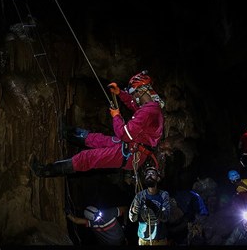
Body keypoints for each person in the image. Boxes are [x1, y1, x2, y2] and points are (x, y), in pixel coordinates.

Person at [29, 70, 165, 177]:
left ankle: (44, 171)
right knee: (96, 139)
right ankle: (65, 131)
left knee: (88, 158)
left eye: (135, 94)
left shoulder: (149, 111)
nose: (134, 97)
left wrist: (116, 116)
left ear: (142, 91)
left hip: (131, 154)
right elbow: (133, 106)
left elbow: (124, 133)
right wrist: (120, 94)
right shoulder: (151, 108)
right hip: (131, 146)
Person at [129, 166, 170, 245]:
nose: (150, 175)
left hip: (159, 239)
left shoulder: (164, 195)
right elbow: (132, 219)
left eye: (153, 173)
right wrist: (134, 211)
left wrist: (153, 207)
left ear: (158, 179)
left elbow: (166, 217)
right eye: (148, 174)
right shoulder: (139, 195)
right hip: (143, 239)